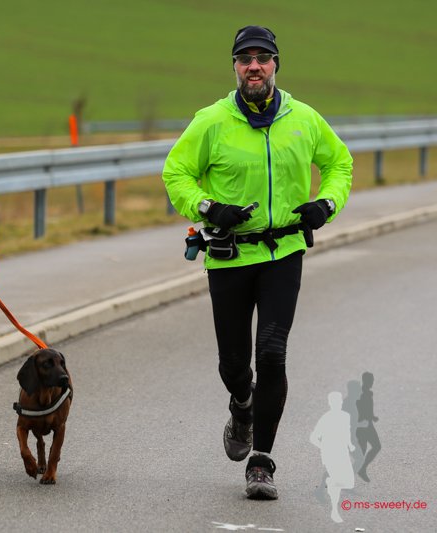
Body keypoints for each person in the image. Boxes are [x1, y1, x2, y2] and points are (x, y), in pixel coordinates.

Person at [162, 25, 352, 499]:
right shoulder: (212, 120)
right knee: (234, 365)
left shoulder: (303, 118)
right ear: (234, 67)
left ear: (275, 65)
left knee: (271, 352)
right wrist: (208, 208)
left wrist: (326, 204)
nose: (254, 66)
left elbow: (340, 164)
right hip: (229, 255)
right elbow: (176, 172)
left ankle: (261, 462)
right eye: (245, 59)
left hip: (283, 253)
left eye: (262, 58)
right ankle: (242, 405)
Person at [310, 392, 356, 523]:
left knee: (349, 483)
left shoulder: (345, 416)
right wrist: (324, 448)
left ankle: (329, 481)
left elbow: (346, 433)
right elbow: (313, 437)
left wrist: (350, 445)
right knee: (338, 482)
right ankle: (335, 511)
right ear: (330, 403)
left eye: (340, 401)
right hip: (330, 453)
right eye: (335, 402)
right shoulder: (326, 418)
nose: (338, 404)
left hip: (343, 452)